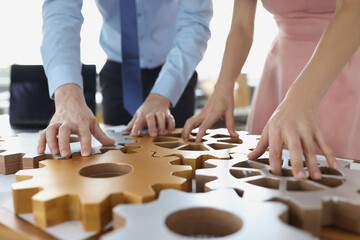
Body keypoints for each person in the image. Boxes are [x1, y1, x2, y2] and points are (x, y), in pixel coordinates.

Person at [183, 0, 360, 180]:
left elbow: (354, 8)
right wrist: (223, 87)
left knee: (336, 181)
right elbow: (241, 25)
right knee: (264, 180)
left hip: (341, 64)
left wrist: (299, 99)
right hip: (279, 72)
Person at [37, 0, 213, 158]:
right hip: (118, 75)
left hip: (175, 70)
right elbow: (60, 16)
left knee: (178, 159)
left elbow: (195, 21)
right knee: (114, 162)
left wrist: (163, 94)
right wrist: (67, 99)